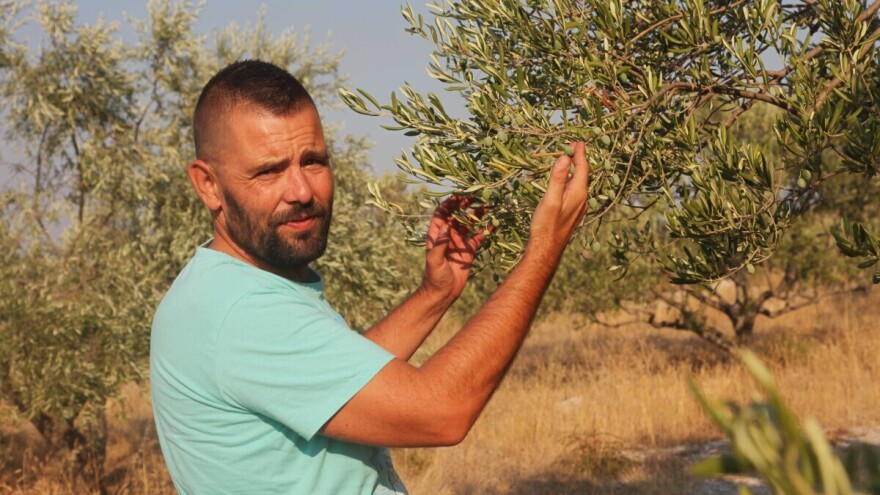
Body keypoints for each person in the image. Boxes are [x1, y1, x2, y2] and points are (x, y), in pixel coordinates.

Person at [150, 59, 590, 495]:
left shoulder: (225, 287)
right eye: (269, 171)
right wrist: (543, 250)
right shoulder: (240, 312)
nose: (301, 191)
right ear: (208, 184)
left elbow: (342, 382)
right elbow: (442, 412)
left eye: (313, 161)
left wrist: (436, 294)